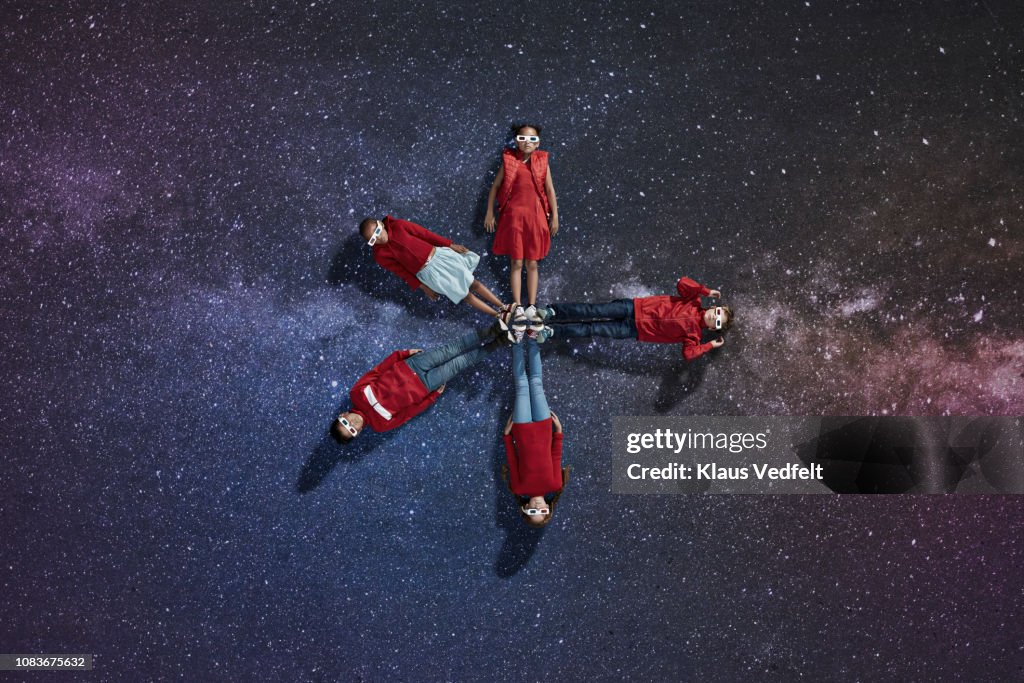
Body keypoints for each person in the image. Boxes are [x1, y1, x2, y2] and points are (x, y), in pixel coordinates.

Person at [332, 322, 508, 441]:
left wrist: (402, 354)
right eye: (353, 431)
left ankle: (493, 330)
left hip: (412, 364)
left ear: (342, 416)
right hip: (425, 386)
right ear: (358, 433)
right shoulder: (380, 425)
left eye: (346, 424)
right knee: (459, 363)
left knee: (452, 349)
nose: (353, 424)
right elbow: (407, 414)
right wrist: (431, 397)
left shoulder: (356, 394)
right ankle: (498, 342)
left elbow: (377, 371)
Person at [535, 277, 733, 361]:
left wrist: (709, 346)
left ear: (713, 328)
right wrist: (706, 290)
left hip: (633, 330)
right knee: (591, 309)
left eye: (717, 322)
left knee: (591, 329)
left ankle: (552, 332)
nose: (712, 317)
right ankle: (553, 312)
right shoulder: (694, 300)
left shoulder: (694, 335)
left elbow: (688, 354)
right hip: (632, 307)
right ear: (714, 308)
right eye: (717, 313)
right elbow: (682, 282)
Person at [360, 215, 511, 319]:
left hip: (440, 257)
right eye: (373, 239)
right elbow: (402, 273)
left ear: (381, 224)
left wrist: (449, 244)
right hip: (430, 274)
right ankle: (498, 316)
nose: (378, 237)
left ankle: (504, 307)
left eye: (377, 231)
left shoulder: (399, 225)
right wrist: (424, 287)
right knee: (465, 295)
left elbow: (425, 234)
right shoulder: (381, 255)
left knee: (473, 283)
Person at [483, 123, 560, 321]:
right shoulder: (509, 160)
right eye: (523, 138)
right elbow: (495, 187)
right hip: (514, 217)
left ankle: (532, 306)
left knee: (532, 263)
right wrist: (490, 213)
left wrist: (555, 216)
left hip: (536, 217)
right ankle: (517, 306)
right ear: (517, 140)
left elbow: (550, 190)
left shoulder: (542, 161)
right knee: (516, 262)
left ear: (538, 143)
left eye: (532, 139)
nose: (527, 143)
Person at [501, 338, 569, 527]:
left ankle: (516, 340)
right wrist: (559, 432)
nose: (538, 507)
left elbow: (513, 461)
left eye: (532, 511)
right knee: (536, 383)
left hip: (521, 429)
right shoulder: (555, 485)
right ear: (549, 507)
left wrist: (507, 437)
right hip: (544, 427)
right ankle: (532, 339)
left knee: (522, 385)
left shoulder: (518, 487)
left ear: (525, 507)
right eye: (542, 511)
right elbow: (556, 457)